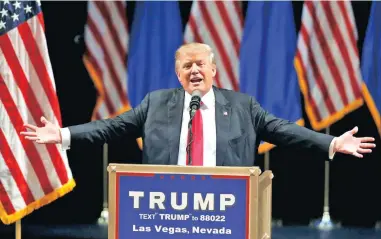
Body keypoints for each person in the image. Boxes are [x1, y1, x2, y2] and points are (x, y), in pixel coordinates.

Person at [20, 43, 375, 166]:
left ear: (213, 70)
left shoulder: (242, 106)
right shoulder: (155, 104)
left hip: (224, 213)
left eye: (200, 64)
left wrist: (331, 142)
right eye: (186, 66)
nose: (194, 71)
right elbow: (109, 127)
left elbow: (284, 132)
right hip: (166, 216)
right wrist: (63, 134)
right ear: (178, 74)